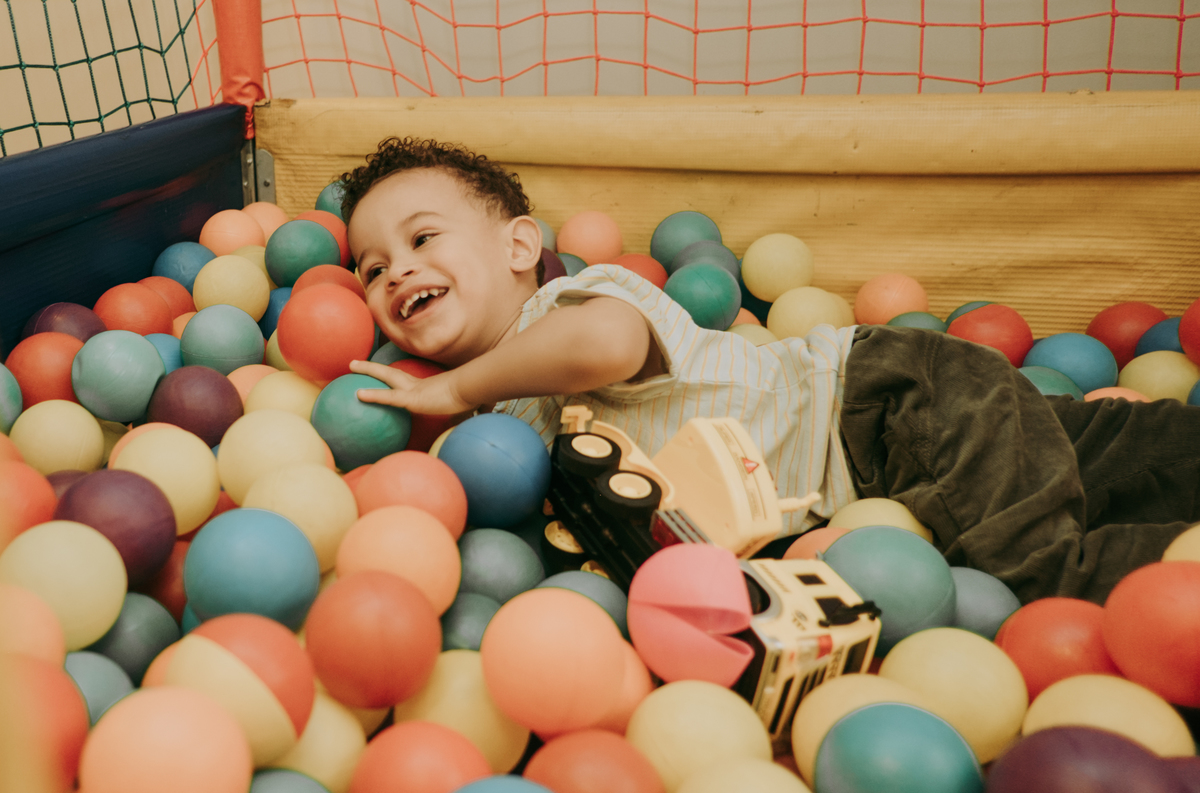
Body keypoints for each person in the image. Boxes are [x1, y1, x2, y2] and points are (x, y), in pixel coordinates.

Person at [343, 136, 1197, 605]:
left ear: (521, 246)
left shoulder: (574, 303)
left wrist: (456, 387)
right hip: (884, 477)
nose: (397, 272)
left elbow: (603, 348)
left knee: (1040, 581)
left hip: (882, 407)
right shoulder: (498, 423)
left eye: (423, 238)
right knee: (1106, 453)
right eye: (372, 269)